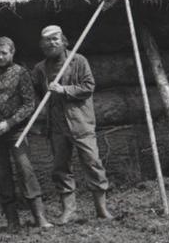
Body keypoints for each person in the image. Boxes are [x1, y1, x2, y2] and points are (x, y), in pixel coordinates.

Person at [31, 25, 112, 224]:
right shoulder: (40, 68)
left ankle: (102, 209)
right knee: (60, 168)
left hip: (81, 123)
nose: (51, 43)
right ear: (42, 45)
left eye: (55, 39)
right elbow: (37, 94)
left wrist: (64, 89)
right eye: (47, 41)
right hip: (57, 127)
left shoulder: (78, 61)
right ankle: (69, 211)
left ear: (64, 40)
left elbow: (88, 86)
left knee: (93, 163)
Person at [0, 37, 52, 231]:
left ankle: (39, 217)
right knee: (2, 174)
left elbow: (29, 104)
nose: (0, 56)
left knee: (26, 170)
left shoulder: (20, 73)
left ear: (12, 53)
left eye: (4, 53)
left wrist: (9, 123)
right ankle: (12, 221)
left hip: (16, 132)